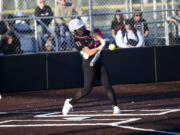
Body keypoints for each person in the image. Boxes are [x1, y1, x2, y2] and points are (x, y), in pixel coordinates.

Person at [62, 19, 120, 116]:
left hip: (98, 62)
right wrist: (99, 47)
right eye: (78, 28)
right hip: (89, 64)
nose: (81, 29)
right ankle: (69, 103)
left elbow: (93, 35)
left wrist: (101, 40)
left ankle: (115, 107)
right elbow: (88, 52)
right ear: (74, 31)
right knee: (87, 90)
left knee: (107, 85)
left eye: (81, 27)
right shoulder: (77, 41)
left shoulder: (86, 32)